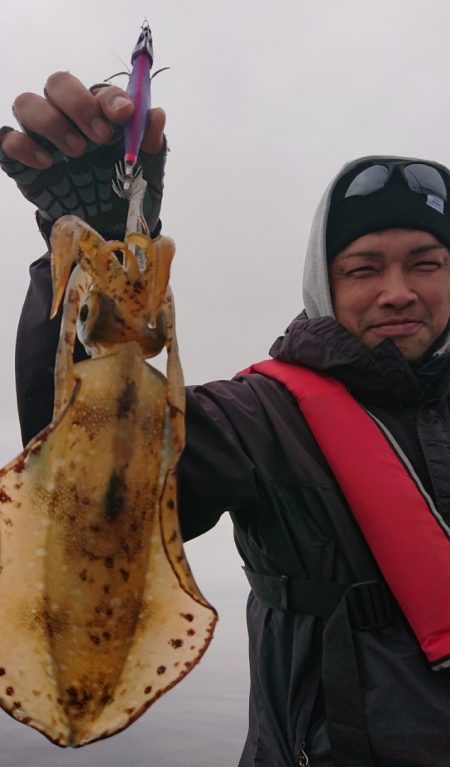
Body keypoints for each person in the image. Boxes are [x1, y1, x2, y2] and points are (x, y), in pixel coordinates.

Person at [2, 71, 450, 767]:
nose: (398, 292)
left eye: (426, 264)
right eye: (364, 268)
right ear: (324, 284)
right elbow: (88, 479)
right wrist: (102, 250)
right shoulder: (262, 419)